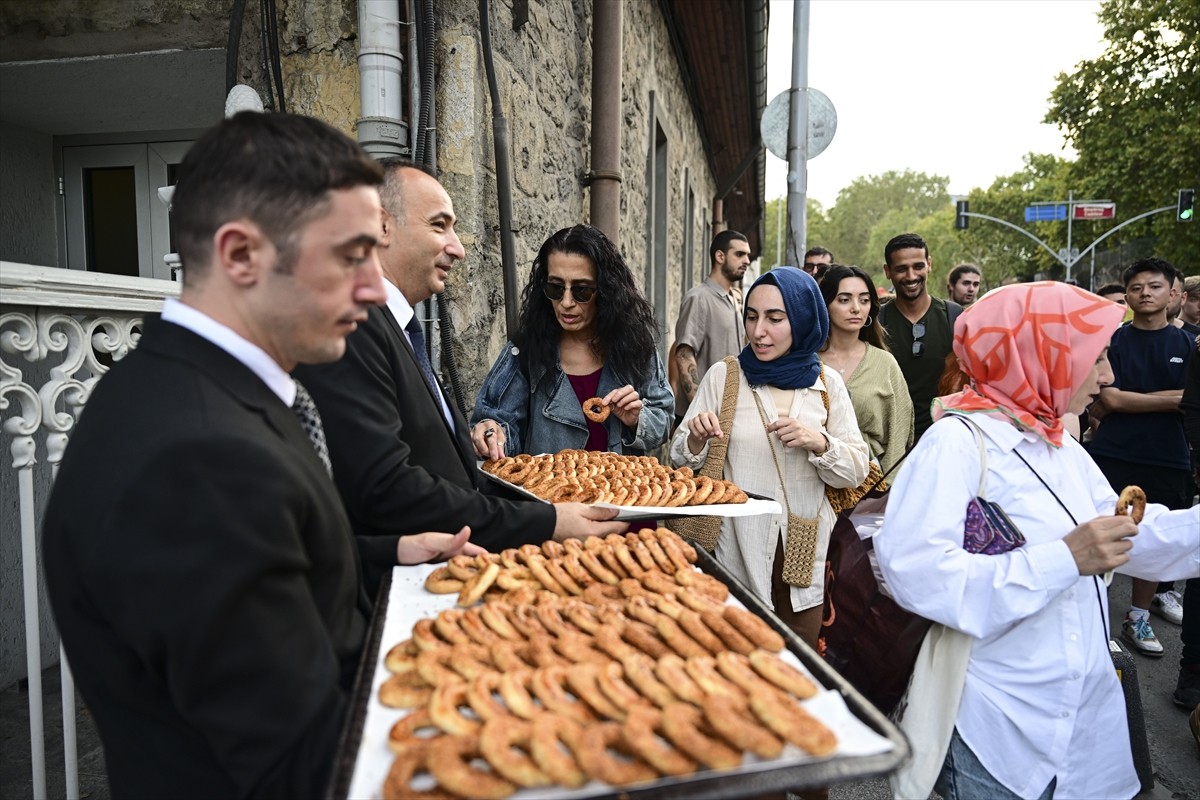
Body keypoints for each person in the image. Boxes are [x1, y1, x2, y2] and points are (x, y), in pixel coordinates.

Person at [40, 113, 482, 798]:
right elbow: (300, 764)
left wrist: (387, 552)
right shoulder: (199, 458)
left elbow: (260, 574)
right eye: (350, 256)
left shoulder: (199, 387)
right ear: (242, 255)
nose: (372, 289)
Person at [875, 280, 1200, 800]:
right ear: (1039, 357)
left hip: (1085, 723)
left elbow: (1129, 533)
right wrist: (1064, 559)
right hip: (998, 726)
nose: (1109, 376)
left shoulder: (1060, 447)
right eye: (1096, 358)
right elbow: (917, 574)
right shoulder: (954, 444)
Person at [296, 162, 625, 591]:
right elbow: (385, 488)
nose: (458, 248)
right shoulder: (354, 327)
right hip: (398, 590)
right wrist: (546, 520)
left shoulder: (396, 328)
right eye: (439, 226)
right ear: (381, 227)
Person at [670, 267, 869, 648]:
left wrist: (821, 443)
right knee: (732, 662)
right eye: (751, 316)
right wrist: (696, 438)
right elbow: (681, 455)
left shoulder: (827, 385)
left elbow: (856, 468)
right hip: (735, 552)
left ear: (803, 318)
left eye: (775, 319)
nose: (758, 331)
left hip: (806, 555)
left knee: (798, 667)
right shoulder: (725, 377)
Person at [471, 224, 673, 461]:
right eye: (555, 288)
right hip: (549, 494)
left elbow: (664, 420)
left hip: (618, 494)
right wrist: (492, 434)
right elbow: (499, 425)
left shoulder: (635, 345)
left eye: (582, 291)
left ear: (605, 290)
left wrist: (638, 419)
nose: (566, 302)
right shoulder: (526, 351)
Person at [1089, 258, 1193, 657]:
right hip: (1113, 452)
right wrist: (1169, 399)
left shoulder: (1189, 344)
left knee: (1154, 537)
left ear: (1173, 294)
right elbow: (1110, 397)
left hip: (1168, 457)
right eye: (1136, 287)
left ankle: (1138, 616)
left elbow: (1191, 402)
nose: (1145, 293)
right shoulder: (1112, 339)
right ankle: (1096, 613)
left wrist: (1131, 402)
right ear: (1127, 295)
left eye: (1154, 286)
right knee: (1104, 531)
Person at [818, 264, 913, 473]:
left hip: (870, 485)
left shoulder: (885, 364)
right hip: (814, 480)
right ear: (825, 304)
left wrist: (886, 488)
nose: (856, 308)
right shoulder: (808, 362)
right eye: (844, 300)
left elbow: (899, 434)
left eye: (864, 300)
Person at [878, 232, 964, 440]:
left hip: (943, 440)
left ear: (929, 264)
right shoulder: (875, 322)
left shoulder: (954, 316)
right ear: (888, 271)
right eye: (901, 269)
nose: (910, 276)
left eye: (918, 266)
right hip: (888, 445)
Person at [672, 229, 751, 425]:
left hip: (729, 413)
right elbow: (683, 355)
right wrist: (700, 409)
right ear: (720, 256)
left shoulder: (734, 300)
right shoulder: (698, 297)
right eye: (740, 254)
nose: (747, 260)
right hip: (704, 418)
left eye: (748, 255)